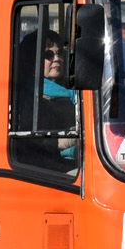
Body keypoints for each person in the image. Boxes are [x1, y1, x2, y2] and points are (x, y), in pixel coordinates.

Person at [13, 30, 78, 171]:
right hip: (50, 169)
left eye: (60, 53)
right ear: (32, 60)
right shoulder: (27, 99)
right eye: (48, 55)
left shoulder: (74, 90)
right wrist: (61, 142)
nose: (57, 58)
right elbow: (27, 144)